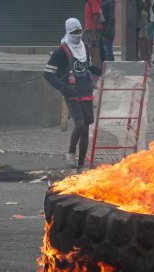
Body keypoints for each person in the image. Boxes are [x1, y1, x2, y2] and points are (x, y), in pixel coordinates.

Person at [44, 18, 102, 171]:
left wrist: (106, 70)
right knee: (80, 124)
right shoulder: (61, 51)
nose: (78, 35)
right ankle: (70, 154)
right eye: (74, 32)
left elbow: (88, 66)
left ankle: (81, 166)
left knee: (86, 128)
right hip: (72, 93)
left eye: (79, 31)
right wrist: (64, 87)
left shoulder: (85, 47)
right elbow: (48, 74)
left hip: (86, 91)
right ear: (68, 32)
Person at [85, 0, 104, 69]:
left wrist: (93, 33)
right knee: (93, 51)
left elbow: (96, 14)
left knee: (95, 51)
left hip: (93, 30)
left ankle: (96, 73)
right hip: (92, 30)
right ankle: (95, 72)